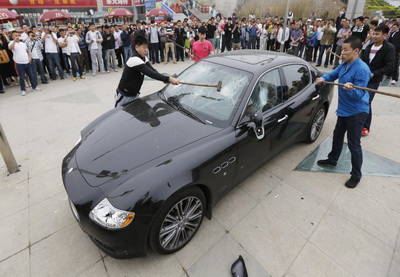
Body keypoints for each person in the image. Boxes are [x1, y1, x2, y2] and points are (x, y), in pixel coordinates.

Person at [316, 36, 371, 189]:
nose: (342, 52)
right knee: (338, 136)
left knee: (354, 144)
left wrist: (351, 88)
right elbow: (333, 75)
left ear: (356, 51)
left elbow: (359, 95)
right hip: (344, 110)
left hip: (357, 112)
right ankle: (332, 159)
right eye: (342, 49)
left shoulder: (362, 69)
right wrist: (323, 78)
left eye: (346, 50)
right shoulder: (345, 64)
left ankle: (356, 175)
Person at [115, 36, 179, 107]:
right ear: (137, 47)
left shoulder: (143, 58)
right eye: (144, 47)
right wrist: (168, 79)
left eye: (147, 47)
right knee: (119, 115)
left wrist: (164, 79)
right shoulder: (134, 60)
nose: (146, 50)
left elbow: (153, 70)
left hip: (135, 94)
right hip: (124, 96)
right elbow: (151, 73)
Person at [360, 24, 395, 136]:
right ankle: (357, 122)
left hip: (374, 80)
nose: (374, 36)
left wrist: (375, 73)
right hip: (362, 78)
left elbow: (390, 66)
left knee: (366, 101)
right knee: (359, 100)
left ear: (384, 35)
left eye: (377, 34)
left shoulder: (389, 48)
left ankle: (365, 126)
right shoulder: (368, 47)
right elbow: (361, 62)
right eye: (373, 33)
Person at [8, 32, 41, 96]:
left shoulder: (23, 44)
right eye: (15, 35)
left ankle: (34, 87)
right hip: (19, 63)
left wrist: (29, 58)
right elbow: (10, 48)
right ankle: (23, 90)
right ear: (13, 36)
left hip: (27, 62)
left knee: (31, 75)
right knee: (22, 77)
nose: (17, 36)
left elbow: (27, 50)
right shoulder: (11, 43)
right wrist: (14, 41)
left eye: (18, 35)